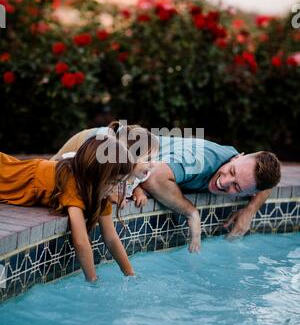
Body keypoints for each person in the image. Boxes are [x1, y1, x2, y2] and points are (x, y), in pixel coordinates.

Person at [0, 136, 136, 282]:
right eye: (113, 182)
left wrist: (130, 274)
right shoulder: (71, 182)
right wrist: (93, 280)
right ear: (97, 175)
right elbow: (80, 241)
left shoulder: (100, 192)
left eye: (119, 183)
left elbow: (111, 238)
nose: (116, 189)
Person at [141, 135, 281, 252]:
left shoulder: (245, 172)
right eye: (231, 171)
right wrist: (191, 212)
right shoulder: (200, 160)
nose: (224, 182)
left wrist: (250, 211)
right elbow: (152, 178)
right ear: (237, 157)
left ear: (251, 193)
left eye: (236, 187)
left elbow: (267, 187)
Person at [51, 122, 159, 208]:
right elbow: (94, 181)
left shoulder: (141, 174)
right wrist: (111, 195)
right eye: (148, 159)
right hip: (84, 142)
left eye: (154, 159)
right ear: (130, 158)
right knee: (51, 168)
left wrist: (138, 191)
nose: (153, 164)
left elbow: (135, 182)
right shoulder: (109, 169)